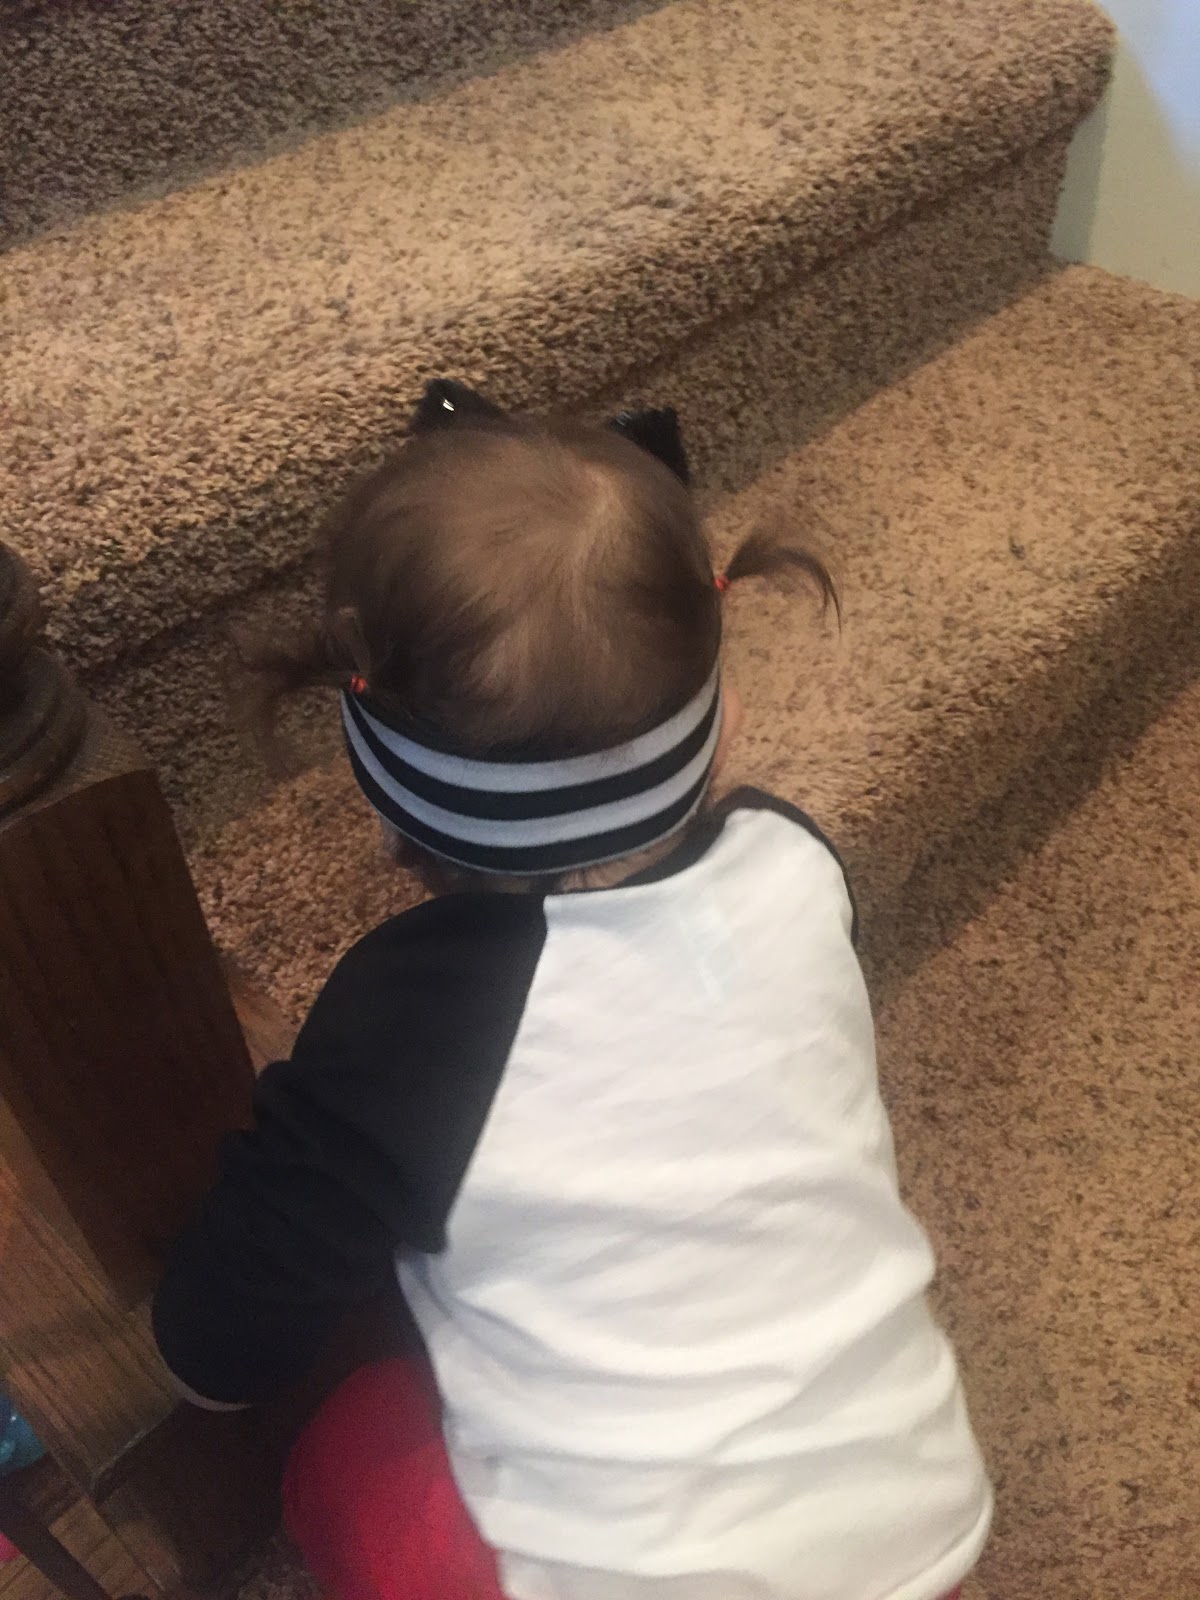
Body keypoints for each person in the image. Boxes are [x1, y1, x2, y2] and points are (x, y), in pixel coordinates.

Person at [153, 382, 992, 1600]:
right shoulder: (798, 862)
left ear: (386, 814)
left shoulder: (405, 1020)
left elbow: (216, 1347)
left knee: (346, 1443)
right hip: (923, 1531)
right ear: (725, 722)